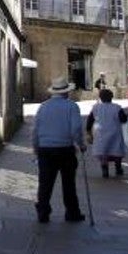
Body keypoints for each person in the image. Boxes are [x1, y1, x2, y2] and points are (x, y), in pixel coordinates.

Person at [32, 76, 87, 223]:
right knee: (68, 183)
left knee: (45, 183)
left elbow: (35, 129)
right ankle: (72, 213)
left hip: (45, 149)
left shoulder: (43, 107)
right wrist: (81, 144)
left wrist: (36, 147)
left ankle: (43, 211)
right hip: (65, 149)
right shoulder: (72, 106)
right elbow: (76, 129)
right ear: (66, 92)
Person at [86, 88, 127, 177]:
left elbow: (90, 120)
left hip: (101, 132)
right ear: (111, 97)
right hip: (114, 132)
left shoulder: (96, 107)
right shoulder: (117, 107)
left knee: (103, 151)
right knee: (116, 150)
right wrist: (125, 117)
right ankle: (118, 167)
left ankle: (105, 169)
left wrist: (88, 132)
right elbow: (123, 119)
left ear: (100, 98)